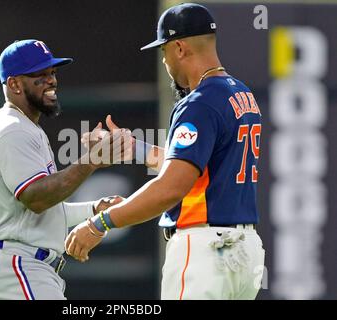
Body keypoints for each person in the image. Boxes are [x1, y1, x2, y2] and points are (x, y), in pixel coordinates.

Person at [65, 3, 265, 300]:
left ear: (180, 48)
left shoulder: (199, 102)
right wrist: (133, 147)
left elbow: (171, 187)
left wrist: (100, 223)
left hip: (204, 251)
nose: (164, 61)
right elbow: (193, 169)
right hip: (245, 250)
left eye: (164, 51)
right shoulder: (240, 93)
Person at [0, 39, 131, 300]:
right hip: (19, 267)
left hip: (15, 265)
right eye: (40, 75)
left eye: (53, 73)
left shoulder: (23, 126)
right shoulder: (12, 129)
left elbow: (39, 214)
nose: (52, 81)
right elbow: (36, 198)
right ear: (13, 84)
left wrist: (94, 209)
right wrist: (90, 161)